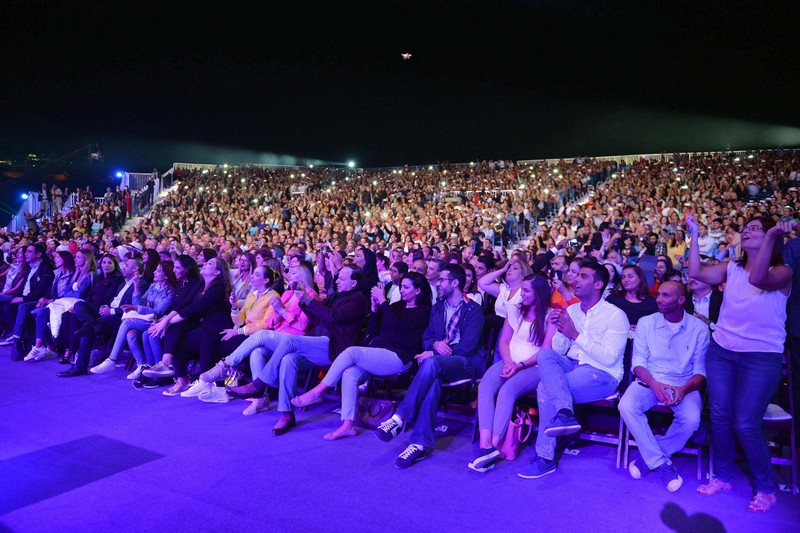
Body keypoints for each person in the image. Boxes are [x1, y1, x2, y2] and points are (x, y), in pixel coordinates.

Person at [687, 214, 793, 512]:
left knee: (746, 423)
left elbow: (758, 279)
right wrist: (695, 234)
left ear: (771, 236)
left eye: (755, 229)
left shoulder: (783, 271)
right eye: (745, 228)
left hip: (760, 357)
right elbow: (695, 272)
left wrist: (772, 237)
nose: (747, 231)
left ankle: (766, 488)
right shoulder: (732, 268)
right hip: (722, 351)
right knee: (719, 416)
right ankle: (723, 476)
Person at [518, 259, 629, 479]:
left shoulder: (615, 315)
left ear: (598, 285)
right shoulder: (572, 310)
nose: (576, 280)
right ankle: (565, 413)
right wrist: (558, 328)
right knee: (546, 353)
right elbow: (560, 350)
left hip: (602, 373)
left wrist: (575, 334)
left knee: (544, 388)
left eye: (583, 276)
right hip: (572, 366)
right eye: (577, 276)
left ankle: (546, 457)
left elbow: (609, 358)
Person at [290, 272, 432, 440]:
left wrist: (384, 302)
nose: (402, 290)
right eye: (401, 286)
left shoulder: (424, 311)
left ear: (418, 291)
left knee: (352, 351)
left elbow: (397, 325)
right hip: (379, 353)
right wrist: (374, 309)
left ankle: (318, 391)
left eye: (406, 287)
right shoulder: (396, 306)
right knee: (349, 373)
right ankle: (348, 425)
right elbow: (373, 331)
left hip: (400, 357)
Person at [375, 264, 486, 469]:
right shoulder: (437, 308)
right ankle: (420, 444)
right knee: (433, 377)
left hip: (466, 363)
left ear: (455, 283)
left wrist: (434, 352)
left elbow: (468, 346)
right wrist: (434, 345)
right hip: (440, 364)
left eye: (442, 280)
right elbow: (426, 337)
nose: (438, 284)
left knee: (431, 362)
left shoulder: (474, 309)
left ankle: (401, 416)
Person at [619, 281, 709, 492]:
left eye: (666, 296)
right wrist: (654, 384)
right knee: (626, 406)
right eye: (658, 294)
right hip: (649, 380)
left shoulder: (699, 329)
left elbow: (700, 372)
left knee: (691, 419)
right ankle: (660, 462)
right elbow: (638, 363)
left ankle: (649, 457)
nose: (659, 299)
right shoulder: (646, 323)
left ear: (680, 300)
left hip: (684, 383)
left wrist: (683, 390)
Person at [199, 262, 319, 414]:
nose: (288, 275)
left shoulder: (310, 295)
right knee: (256, 352)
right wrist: (237, 307)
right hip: (278, 336)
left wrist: (281, 310)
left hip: (295, 339)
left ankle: (225, 365)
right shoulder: (287, 294)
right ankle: (260, 399)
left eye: (293, 273)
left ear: (302, 277)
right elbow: (272, 322)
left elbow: (303, 326)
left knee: (260, 335)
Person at [470, 274, 556, 472]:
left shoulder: (550, 316)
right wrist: (508, 362)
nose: (521, 294)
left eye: (526, 291)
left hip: (533, 368)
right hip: (509, 361)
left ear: (539, 293)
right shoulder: (514, 311)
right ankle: (485, 446)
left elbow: (545, 350)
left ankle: (494, 443)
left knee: (507, 391)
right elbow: (503, 341)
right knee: (485, 387)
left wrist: (520, 366)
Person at [151, 257, 233, 396]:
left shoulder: (218, 286)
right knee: (175, 335)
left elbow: (196, 308)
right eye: (207, 262)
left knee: (193, 334)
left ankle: (203, 381)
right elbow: (185, 305)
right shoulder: (202, 285)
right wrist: (165, 321)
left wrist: (168, 321)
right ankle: (177, 374)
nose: (205, 263)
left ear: (217, 272)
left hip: (217, 327)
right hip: (204, 325)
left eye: (210, 263)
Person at [58, 256, 144, 377]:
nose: (123, 267)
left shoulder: (141, 284)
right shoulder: (124, 283)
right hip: (107, 311)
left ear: (135, 269)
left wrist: (112, 311)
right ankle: (92, 324)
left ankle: (79, 366)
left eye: (126, 265)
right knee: (79, 305)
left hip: (121, 318)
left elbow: (135, 306)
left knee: (87, 328)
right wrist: (106, 307)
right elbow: (114, 300)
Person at [89, 261, 175, 378]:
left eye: (158, 270)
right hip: (144, 319)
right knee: (130, 334)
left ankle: (112, 360)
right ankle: (141, 365)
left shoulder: (170, 292)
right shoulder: (154, 286)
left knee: (127, 323)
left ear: (166, 275)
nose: (154, 272)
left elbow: (158, 312)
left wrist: (136, 308)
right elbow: (139, 302)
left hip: (157, 321)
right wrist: (136, 287)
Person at [0, 243, 55, 346]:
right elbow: (21, 287)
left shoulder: (45, 269)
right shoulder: (30, 267)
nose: (25, 254)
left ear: (38, 254)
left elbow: (41, 291)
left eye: (29, 252)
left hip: (32, 299)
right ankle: (17, 331)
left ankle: (19, 336)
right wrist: (16, 296)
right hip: (22, 296)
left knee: (12, 307)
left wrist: (23, 298)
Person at [606, 265, 658, 329]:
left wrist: (640, 328)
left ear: (640, 278)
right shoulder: (613, 298)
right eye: (623, 277)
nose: (625, 280)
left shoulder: (652, 303)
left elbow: (655, 326)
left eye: (630, 276)